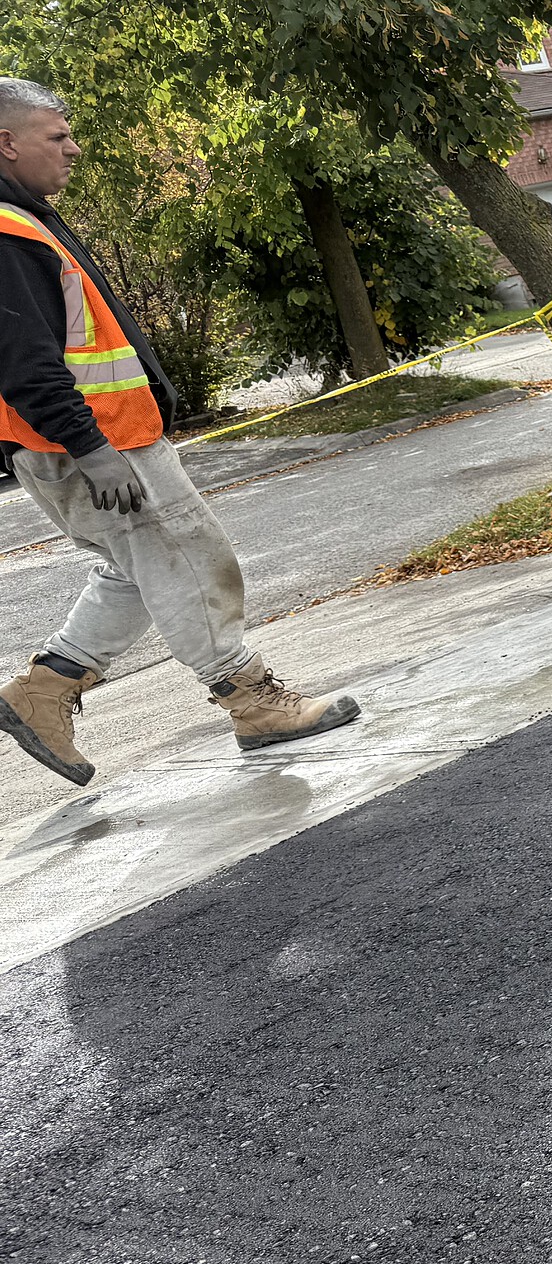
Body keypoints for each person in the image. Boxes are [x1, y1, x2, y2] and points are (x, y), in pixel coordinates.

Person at [0, 78, 358, 789]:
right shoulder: (8, 233)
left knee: (143, 569)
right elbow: (22, 361)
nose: (74, 149)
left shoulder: (24, 221)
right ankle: (252, 701)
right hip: (96, 445)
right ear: (6, 143)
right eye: (57, 136)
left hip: (94, 441)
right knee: (191, 559)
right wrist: (93, 450)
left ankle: (44, 690)